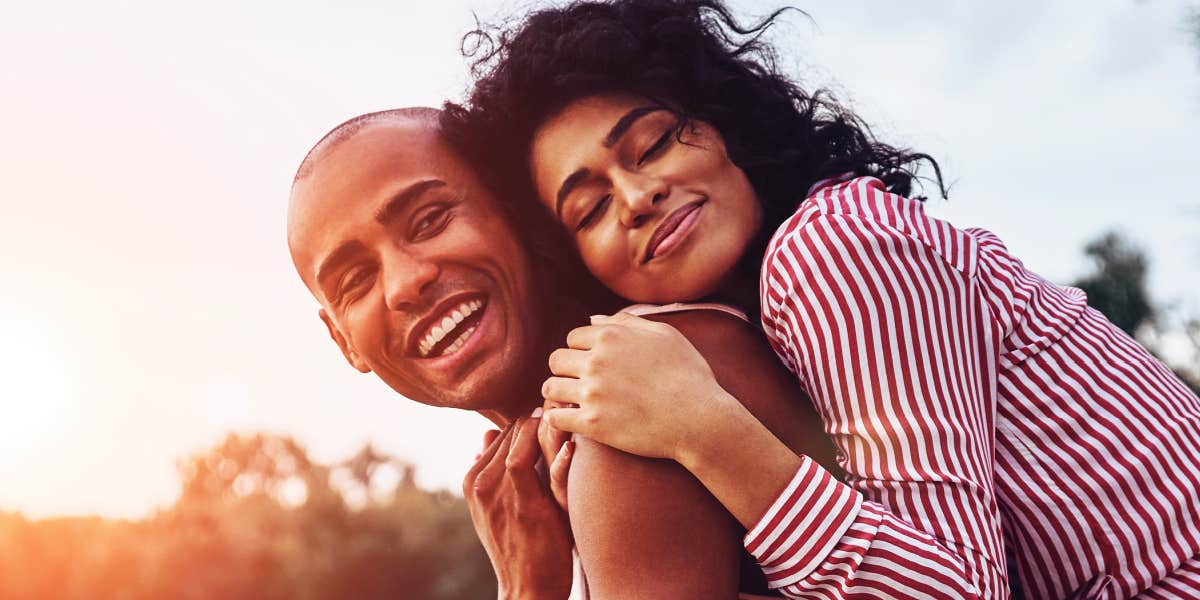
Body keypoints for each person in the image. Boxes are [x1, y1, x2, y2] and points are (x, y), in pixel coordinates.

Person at [444, 0, 1200, 598]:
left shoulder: (830, 247)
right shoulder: (756, 328)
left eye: (653, 143)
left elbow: (961, 591)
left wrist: (703, 430)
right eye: (590, 209)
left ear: (723, 125)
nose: (638, 195)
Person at [286, 107, 838, 599]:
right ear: (343, 341)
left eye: (430, 220)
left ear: (520, 213)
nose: (405, 284)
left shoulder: (629, 407)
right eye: (356, 280)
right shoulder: (548, 470)